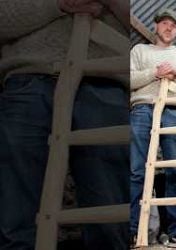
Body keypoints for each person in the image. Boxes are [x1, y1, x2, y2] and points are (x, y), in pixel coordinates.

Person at [0, 0, 130, 249]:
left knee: (111, 209)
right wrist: (58, 4)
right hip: (27, 76)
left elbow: (134, 25)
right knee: (15, 213)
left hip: (103, 79)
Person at [129, 8, 176, 247]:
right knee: (136, 171)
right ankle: (131, 230)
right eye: (164, 23)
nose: (169, 27)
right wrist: (155, 72)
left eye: (173, 25)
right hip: (143, 109)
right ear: (156, 26)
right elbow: (128, 79)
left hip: (173, 111)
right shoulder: (139, 51)